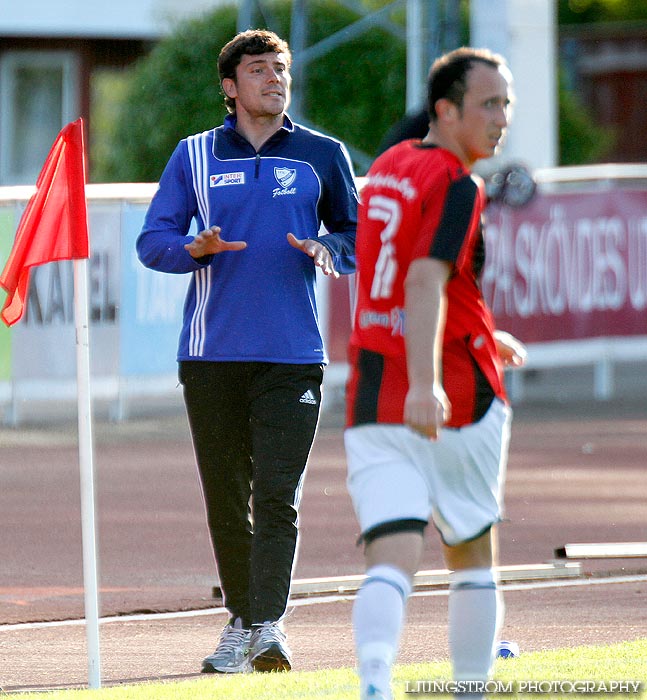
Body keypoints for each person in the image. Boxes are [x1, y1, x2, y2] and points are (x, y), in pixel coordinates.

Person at [137, 29, 358, 674]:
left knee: (278, 493)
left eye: (280, 69)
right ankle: (246, 621)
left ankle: (262, 625)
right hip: (211, 356)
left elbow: (356, 232)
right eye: (258, 70)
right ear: (230, 87)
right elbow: (153, 242)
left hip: (293, 354)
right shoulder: (194, 156)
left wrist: (330, 251)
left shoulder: (323, 153)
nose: (274, 79)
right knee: (227, 496)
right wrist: (192, 250)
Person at [344, 47, 527, 700]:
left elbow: (401, 277)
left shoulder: (387, 168)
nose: (501, 117)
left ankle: (373, 683)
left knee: (389, 556)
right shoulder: (456, 182)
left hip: (371, 387)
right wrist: (428, 380)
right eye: (488, 104)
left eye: (505, 103)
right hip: (453, 396)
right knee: (470, 552)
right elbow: (424, 278)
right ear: (444, 111)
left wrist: (480, 330)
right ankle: (470, 689)